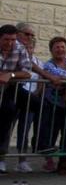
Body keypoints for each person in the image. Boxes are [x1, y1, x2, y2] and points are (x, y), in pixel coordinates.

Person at [0, 24, 37, 174]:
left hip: (11, 88)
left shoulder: (19, 48)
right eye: (6, 40)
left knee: (37, 104)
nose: (9, 43)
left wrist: (11, 74)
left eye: (12, 40)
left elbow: (27, 72)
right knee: (6, 115)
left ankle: (42, 144)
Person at [35, 36, 66, 173]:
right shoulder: (48, 65)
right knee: (50, 131)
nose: (60, 49)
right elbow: (56, 76)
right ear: (51, 50)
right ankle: (49, 161)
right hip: (52, 103)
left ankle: (64, 161)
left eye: (62, 47)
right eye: (57, 47)